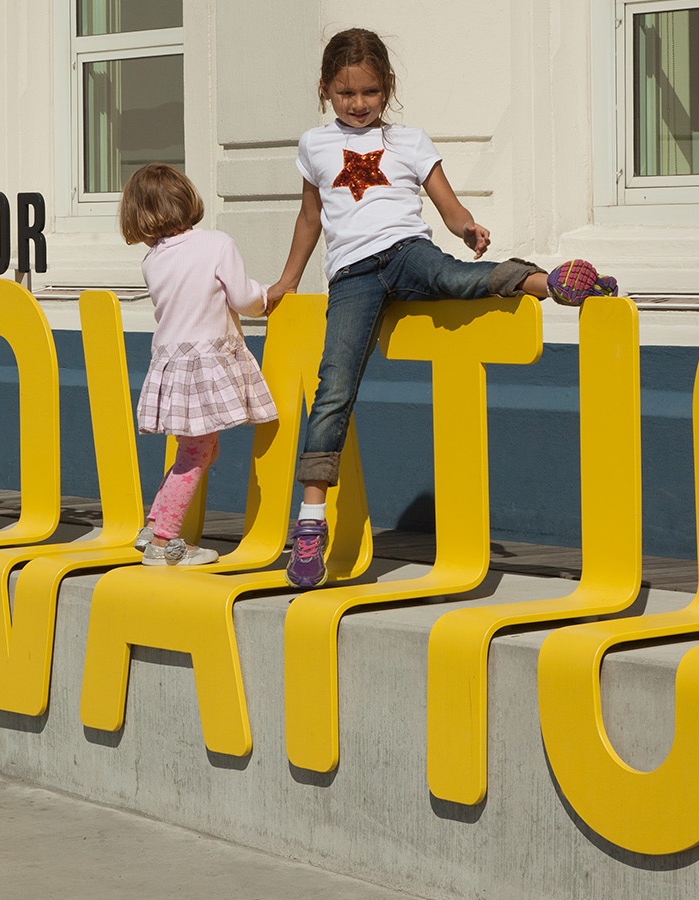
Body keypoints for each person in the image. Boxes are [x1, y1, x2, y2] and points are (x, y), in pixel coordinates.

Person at [265, 27, 618, 589]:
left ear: (388, 89)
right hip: (353, 276)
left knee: (457, 278)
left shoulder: (410, 142)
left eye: (370, 93)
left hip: (408, 252)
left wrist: (467, 227)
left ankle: (551, 283)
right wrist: (287, 280)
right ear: (326, 91)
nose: (358, 105)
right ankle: (310, 524)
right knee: (334, 386)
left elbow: (446, 204)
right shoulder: (314, 145)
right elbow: (311, 218)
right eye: (345, 93)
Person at [119, 163, 279, 566]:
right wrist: (266, 295)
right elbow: (243, 299)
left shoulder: (152, 261)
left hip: (173, 364)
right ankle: (165, 541)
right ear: (186, 199)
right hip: (204, 363)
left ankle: (155, 523)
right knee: (196, 454)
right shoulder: (216, 244)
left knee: (198, 451)